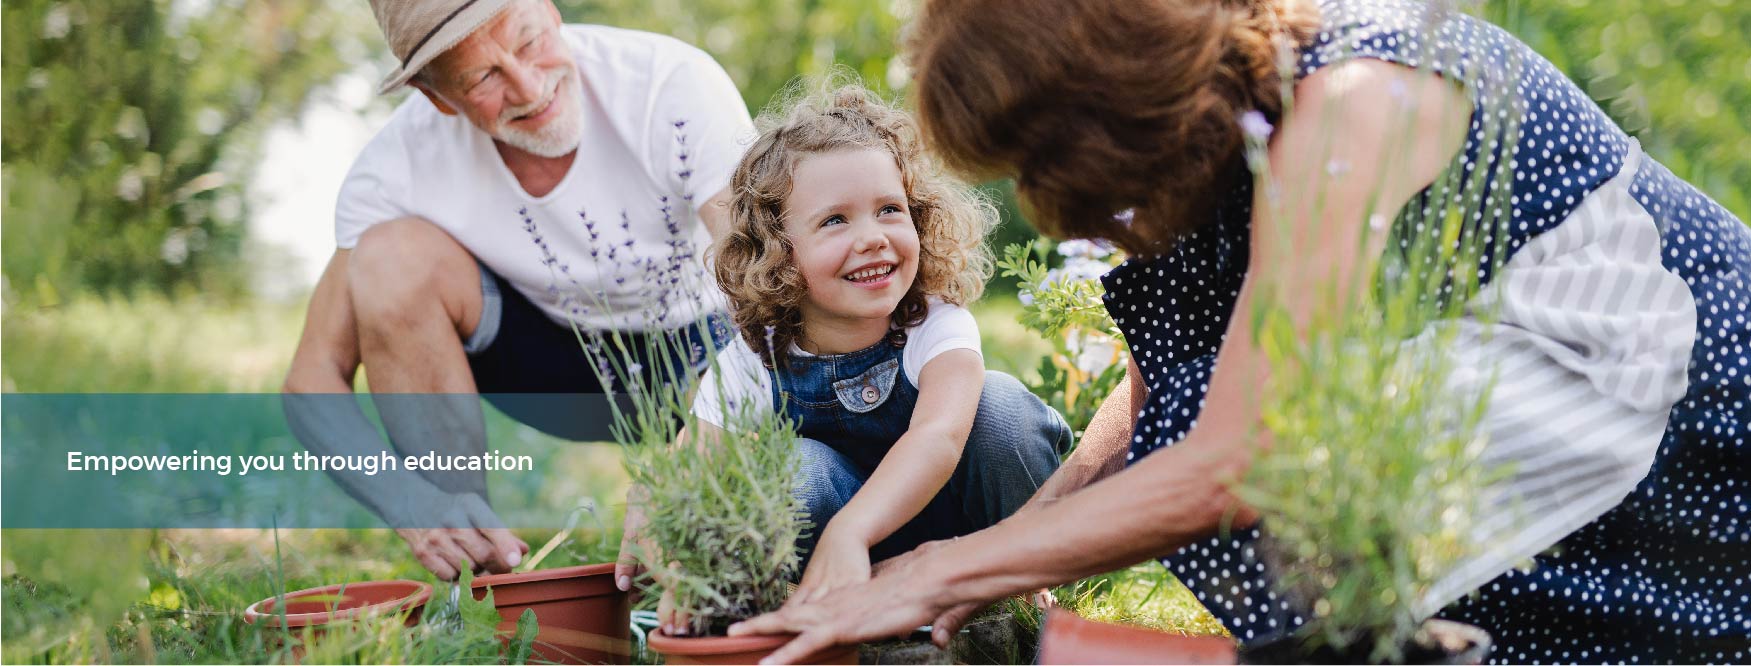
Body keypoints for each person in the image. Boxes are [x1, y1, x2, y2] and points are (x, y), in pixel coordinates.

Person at [729, 0, 1750, 663]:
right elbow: (1160, 401)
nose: (1041, 199)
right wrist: (1005, 556)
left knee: (1329, 478)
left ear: (1107, 105)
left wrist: (931, 571)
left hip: (1662, 382)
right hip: (1511, 408)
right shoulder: (1220, 136)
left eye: (1037, 156)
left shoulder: (1350, 101)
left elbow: (1236, 455)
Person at [280, 0, 751, 581]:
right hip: (553, 367)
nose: (529, 88)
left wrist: (697, 453)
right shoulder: (393, 168)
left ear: (550, 12)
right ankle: (476, 577)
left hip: (708, 348)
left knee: (753, 518)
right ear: (436, 96)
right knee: (386, 260)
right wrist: (412, 505)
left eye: (528, 41)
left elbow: (772, 300)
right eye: (483, 77)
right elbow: (311, 380)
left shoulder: (672, 83)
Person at [629, 85, 1072, 636]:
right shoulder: (754, 356)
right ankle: (821, 604)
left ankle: (1029, 583)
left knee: (1002, 409)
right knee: (790, 466)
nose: (872, 238)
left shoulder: (936, 323)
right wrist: (679, 551)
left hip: (968, 539)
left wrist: (852, 532)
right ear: (778, 249)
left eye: (890, 210)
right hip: (837, 562)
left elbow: (937, 437)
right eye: (835, 220)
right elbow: (693, 466)